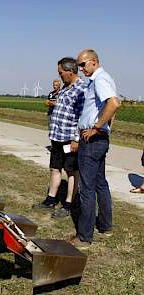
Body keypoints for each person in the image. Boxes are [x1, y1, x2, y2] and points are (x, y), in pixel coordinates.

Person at [74, 49, 120, 248]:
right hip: (100, 140)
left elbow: (114, 104)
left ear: (93, 61)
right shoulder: (104, 78)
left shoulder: (100, 79)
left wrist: (96, 127)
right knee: (101, 184)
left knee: (87, 188)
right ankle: (106, 226)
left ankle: (84, 237)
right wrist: (105, 128)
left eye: (83, 65)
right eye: (79, 66)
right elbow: (111, 108)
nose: (81, 69)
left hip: (92, 141)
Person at [33, 57, 85, 218]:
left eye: (61, 73)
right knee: (55, 168)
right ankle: (50, 200)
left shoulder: (81, 89)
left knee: (71, 171)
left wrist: (76, 139)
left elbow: (82, 117)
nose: (59, 75)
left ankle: (69, 204)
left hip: (70, 139)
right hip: (57, 137)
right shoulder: (64, 87)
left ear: (70, 71)